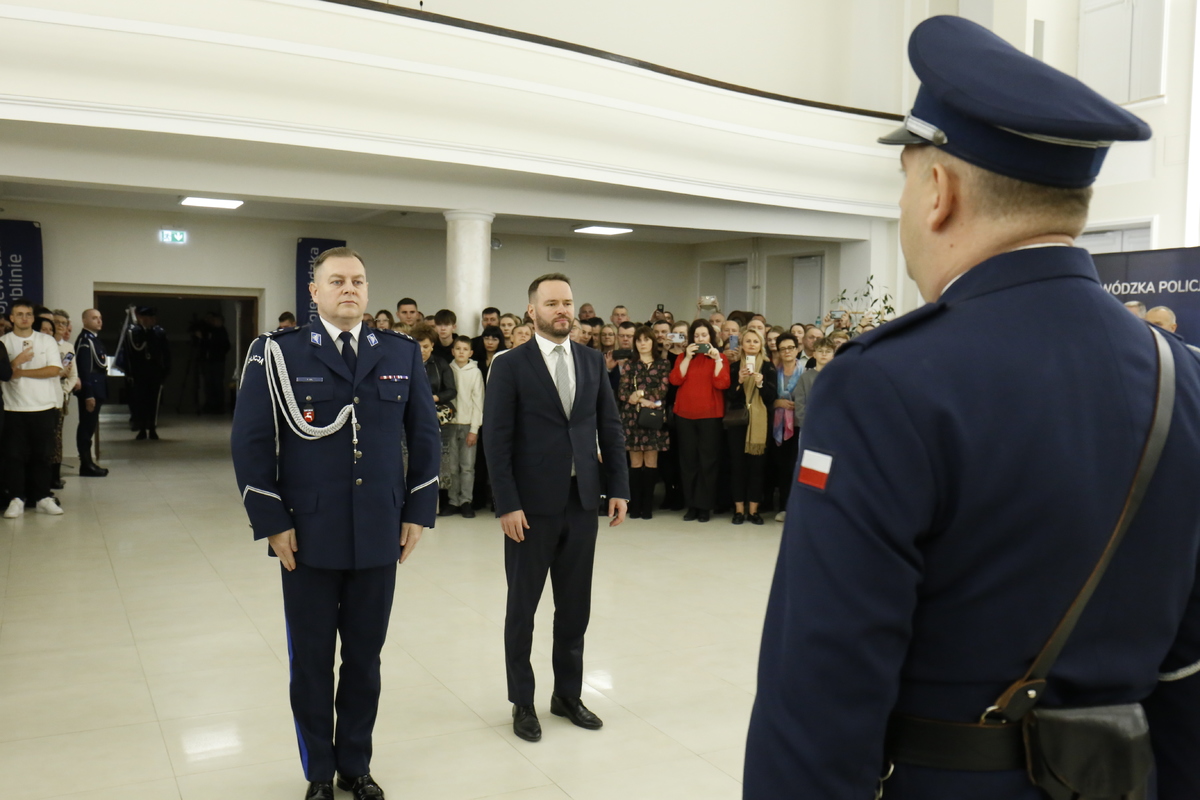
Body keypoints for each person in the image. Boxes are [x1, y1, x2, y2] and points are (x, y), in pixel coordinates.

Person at [745, 16, 1200, 800]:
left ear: (939, 191)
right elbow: (1190, 662)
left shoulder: (886, 383)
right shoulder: (1180, 376)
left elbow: (821, 686)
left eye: (904, 178)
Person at [232, 247, 440, 800]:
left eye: (358, 281)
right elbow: (251, 442)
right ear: (315, 293)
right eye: (337, 281)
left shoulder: (399, 351)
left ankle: (356, 764)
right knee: (312, 662)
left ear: (367, 293)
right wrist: (271, 520)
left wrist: (418, 511)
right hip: (308, 533)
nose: (349, 289)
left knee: (365, 660)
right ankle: (319, 773)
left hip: (379, 531)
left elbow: (424, 436)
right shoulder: (277, 353)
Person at [483, 272, 628, 744]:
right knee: (522, 608)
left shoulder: (591, 360)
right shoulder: (509, 364)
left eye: (567, 301)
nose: (562, 310)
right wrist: (506, 503)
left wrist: (619, 487)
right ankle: (522, 701)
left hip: (582, 501)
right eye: (551, 303)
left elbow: (610, 427)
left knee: (574, 608)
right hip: (529, 507)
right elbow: (496, 440)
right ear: (532, 310)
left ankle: (567, 694)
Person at [1, 299, 65, 517]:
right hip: (13, 408)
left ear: (33, 317)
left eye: (28, 314)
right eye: (19, 314)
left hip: (44, 407)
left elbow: (54, 370)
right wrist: (15, 364)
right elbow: (3, 374)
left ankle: (43, 497)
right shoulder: (4, 342)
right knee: (14, 456)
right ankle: (17, 499)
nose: (24, 318)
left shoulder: (46, 341)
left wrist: (21, 372)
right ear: (12, 318)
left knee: (42, 455)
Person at [669, 319, 729, 522]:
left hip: (710, 416)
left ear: (711, 337)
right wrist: (686, 358)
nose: (700, 339)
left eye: (704, 335)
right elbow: (675, 379)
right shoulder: (683, 357)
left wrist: (717, 360)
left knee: (708, 462)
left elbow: (722, 383)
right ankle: (691, 505)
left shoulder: (719, 357)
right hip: (685, 415)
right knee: (688, 462)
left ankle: (704, 506)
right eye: (697, 336)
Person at [722, 329, 776, 525]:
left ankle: (753, 511)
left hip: (760, 422)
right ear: (742, 344)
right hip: (739, 421)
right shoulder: (735, 367)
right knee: (737, 466)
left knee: (757, 467)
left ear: (761, 345)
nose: (752, 344)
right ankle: (738, 510)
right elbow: (729, 396)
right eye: (748, 341)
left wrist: (761, 384)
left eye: (755, 341)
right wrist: (739, 382)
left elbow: (771, 398)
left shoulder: (769, 368)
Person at [618, 326, 671, 519]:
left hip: (654, 418)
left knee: (650, 461)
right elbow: (623, 393)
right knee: (635, 462)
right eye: (639, 340)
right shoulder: (629, 365)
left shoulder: (663, 364)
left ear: (653, 342)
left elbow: (663, 389)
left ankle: (647, 506)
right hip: (632, 418)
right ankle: (635, 505)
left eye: (646, 340)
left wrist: (639, 394)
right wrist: (642, 399)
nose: (642, 343)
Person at [442, 336, 483, 518]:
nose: (461, 352)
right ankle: (453, 501)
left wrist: (474, 429)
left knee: (467, 466)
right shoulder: (447, 369)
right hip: (449, 424)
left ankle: (466, 500)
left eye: (465, 349)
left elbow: (478, 402)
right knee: (451, 466)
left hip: (467, 425)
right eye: (458, 348)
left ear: (471, 353)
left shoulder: (475, 373)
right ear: (452, 351)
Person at [767, 333, 802, 522]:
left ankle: (796, 508)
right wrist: (776, 402)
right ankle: (783, 507)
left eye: (790, 348)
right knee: (782, 468)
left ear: (797, 349)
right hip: (777, 426)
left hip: (798, 425)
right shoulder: (773, 371)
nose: (787, 351)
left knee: (794, 467)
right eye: (783, 349)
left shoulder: (805, 371)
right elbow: (765, 398)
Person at [73, 309, 109, 477]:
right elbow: (84, 370)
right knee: (86, 428)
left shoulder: (94, 340)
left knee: (90, 427)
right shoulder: (85, 341)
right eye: (94, 318)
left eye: (100, 318)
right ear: (84, 321)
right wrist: (88, 394)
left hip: (97, 389)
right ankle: (86, 464)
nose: (99, 321)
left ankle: (88, 463)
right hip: (91, 391)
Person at [126, 307, 170, 440]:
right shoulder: (134, 332)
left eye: (151, 318)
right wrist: (130, 373)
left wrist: (165, 372)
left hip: (155, 372)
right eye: (145, 318)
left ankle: (152, 428)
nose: (149, 321)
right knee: (140, 401)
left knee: (153, 402)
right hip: (139, 373)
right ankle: (141, 428)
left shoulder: (159, 333)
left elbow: (166, 354)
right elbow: (130, 353)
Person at [50, 310, 79, 489]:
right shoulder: (45, 344)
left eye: (63, 323)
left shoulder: (67, 348)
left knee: (57, 437)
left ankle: (54, 474)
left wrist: (63, 392)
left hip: (60, 396)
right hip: (42, 395)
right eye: (57, 322)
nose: (60, 326)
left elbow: (72, 375)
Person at [203, 312, 231, 414]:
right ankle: (210, 404)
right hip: (210, 360)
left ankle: (218, 405)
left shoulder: (222, 332)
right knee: (209, 383)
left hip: (218, 361)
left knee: (217, 383)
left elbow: (225, 346)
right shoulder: (210, 330)